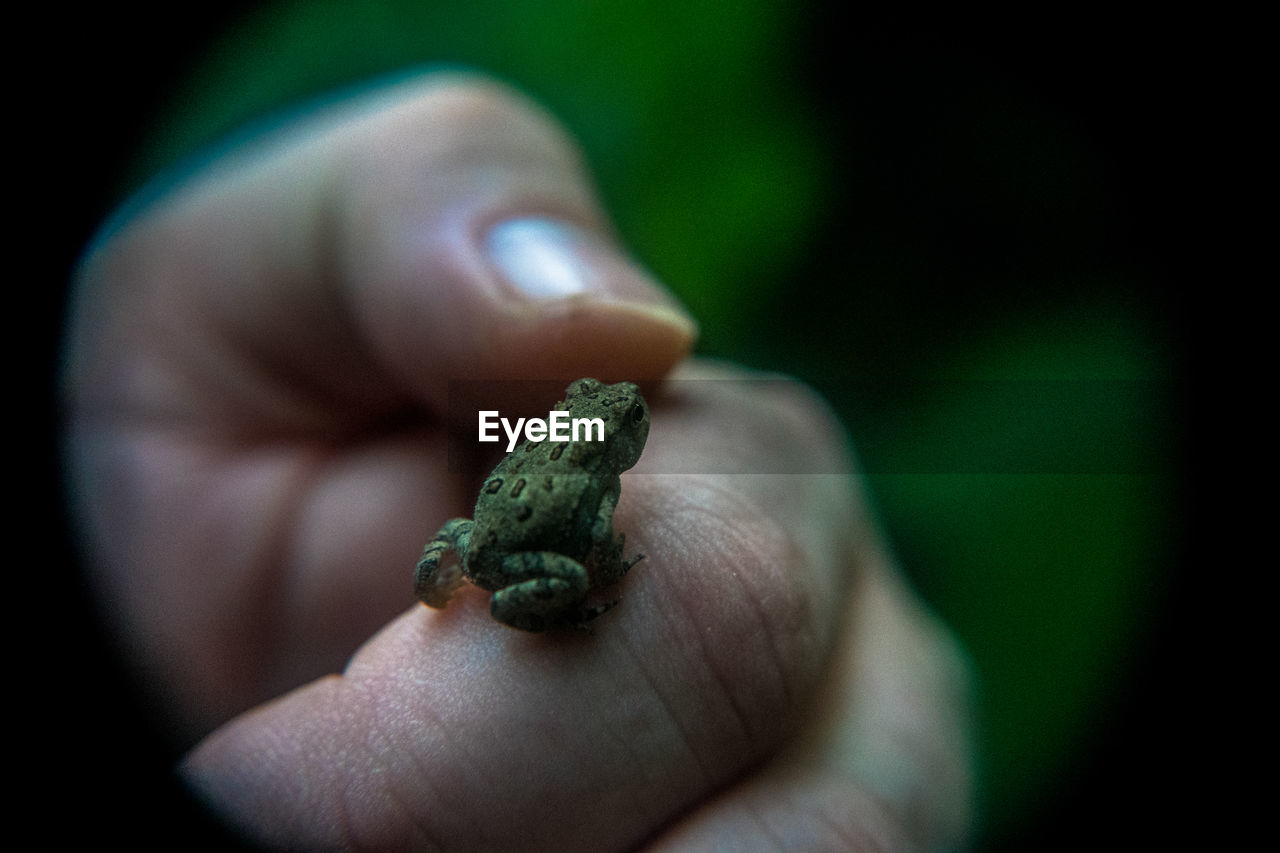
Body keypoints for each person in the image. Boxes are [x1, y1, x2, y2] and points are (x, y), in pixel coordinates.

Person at [62, 71, 972, 850]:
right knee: (580, 595)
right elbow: (587, 540)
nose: (614, 416)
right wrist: (596, 579)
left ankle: (455, 583)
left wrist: (470, 572)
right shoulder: (588, 469)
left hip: (476, 538)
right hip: (509, 554)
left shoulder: (559, 444)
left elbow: (518, 492)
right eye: (603, 413)